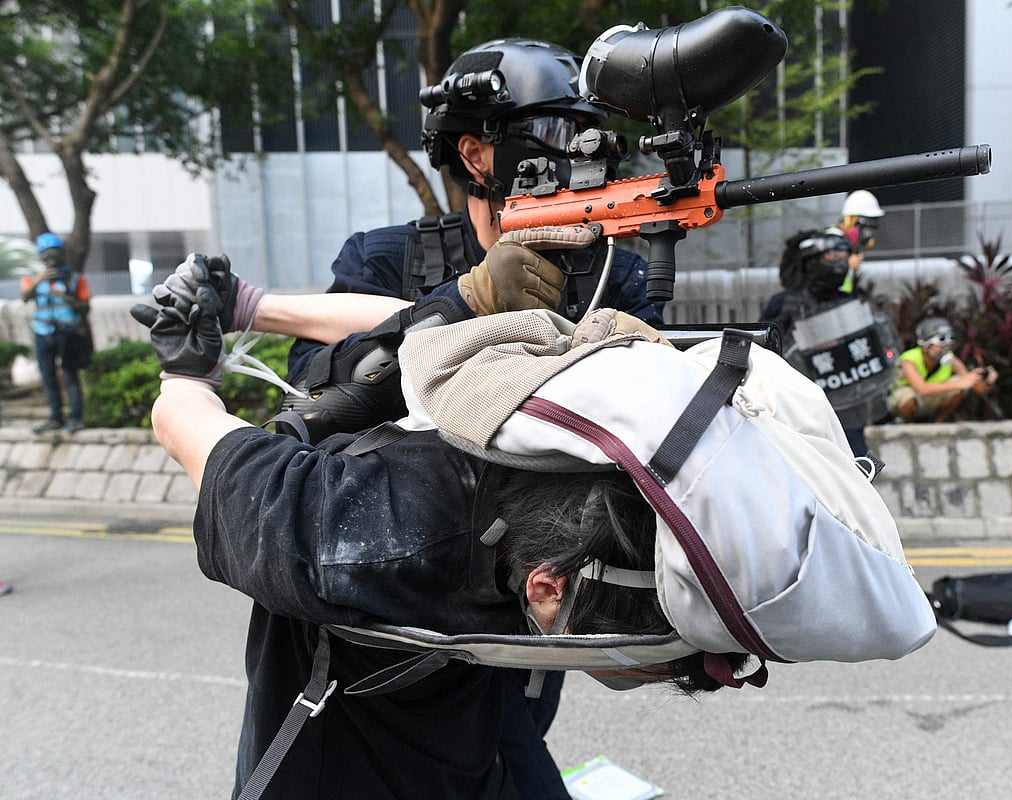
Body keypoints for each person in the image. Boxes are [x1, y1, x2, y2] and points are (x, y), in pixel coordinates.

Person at [130, 259, 735, 800]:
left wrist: (217, 340)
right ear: (546, 588)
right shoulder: (362, 539)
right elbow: (208, 449)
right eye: (628, 671)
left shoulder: (573, 446)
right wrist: (199, 363)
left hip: (462, 747)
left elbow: (428, 341)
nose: (628, 678)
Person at [282, 38, 663, 444]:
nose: (578, 151)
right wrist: (461, 306)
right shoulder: (385, 260)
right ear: (475, 155)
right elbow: (305, 398)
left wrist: (637, 361)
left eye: (585, 133)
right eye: (555, 130)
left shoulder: (616, 273)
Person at [762, 232, 896, 456]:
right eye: (830, 257)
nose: (838, 263)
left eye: (842, 256)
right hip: (801, 406)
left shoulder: (849, 301)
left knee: (856, 468)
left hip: (846, 406)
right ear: (811, 262)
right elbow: (766, 351)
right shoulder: (786, 303)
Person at [20, 232, 91, 434]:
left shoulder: (75, 278)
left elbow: (85, 307)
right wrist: (38, 281)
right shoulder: (32, 277)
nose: (50, 259)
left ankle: (76, 418)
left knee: (70, 375)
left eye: (54, 253)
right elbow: (25, 296)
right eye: (46, 254)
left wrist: (68, 298)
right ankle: (55, 418)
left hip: (67, 334)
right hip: (42, 332)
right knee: (48, 376)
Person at [888, 316, 997, 423]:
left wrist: (986, 380)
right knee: (907, 397)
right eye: (941, 340)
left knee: (958, 385)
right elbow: (922, 389)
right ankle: (908, 426)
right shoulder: (909, 359)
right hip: (909, 400)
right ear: (925, 345)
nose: (946, 346)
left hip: (930, 401)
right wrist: (960, 383)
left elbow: (975, 386)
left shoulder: (951, 360)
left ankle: (938, 422)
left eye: (949, 340)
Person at [828, 189, 885, 293]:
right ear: (850, 219)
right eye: (864, 228)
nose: (867, 235)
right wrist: (847, 264)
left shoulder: (846, 244)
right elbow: (821, 274)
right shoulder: (832, 240)